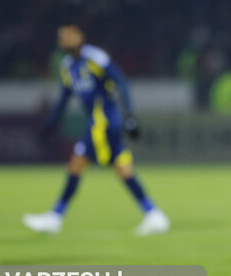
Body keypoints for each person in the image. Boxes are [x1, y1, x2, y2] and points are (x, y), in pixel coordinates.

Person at [22, 25, 169, 236]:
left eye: (71, 34)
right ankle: (154, 214)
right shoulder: (67, 66)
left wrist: (130, 115)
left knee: (77, 164)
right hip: (98, 122)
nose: (66, 38)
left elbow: (121, 82)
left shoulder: (95, 57)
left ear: (81, 37)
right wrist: (49, 127)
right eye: (63, 36)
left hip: (104, 121)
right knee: (122, 169)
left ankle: (55, 217)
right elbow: (63, 101)